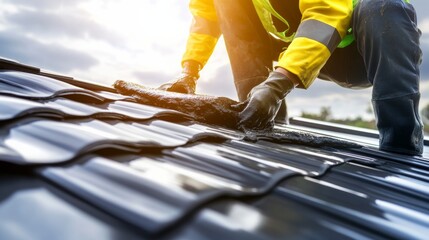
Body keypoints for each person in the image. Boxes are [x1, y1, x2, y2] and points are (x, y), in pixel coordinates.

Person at [159, 0, 423, 156]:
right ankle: (258, 116)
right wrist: (189, 72)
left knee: (384, 4)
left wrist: (280, 82)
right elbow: (206, 19)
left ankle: (400, 142)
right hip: (316, 54)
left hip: (365, 49)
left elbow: (325, 14)